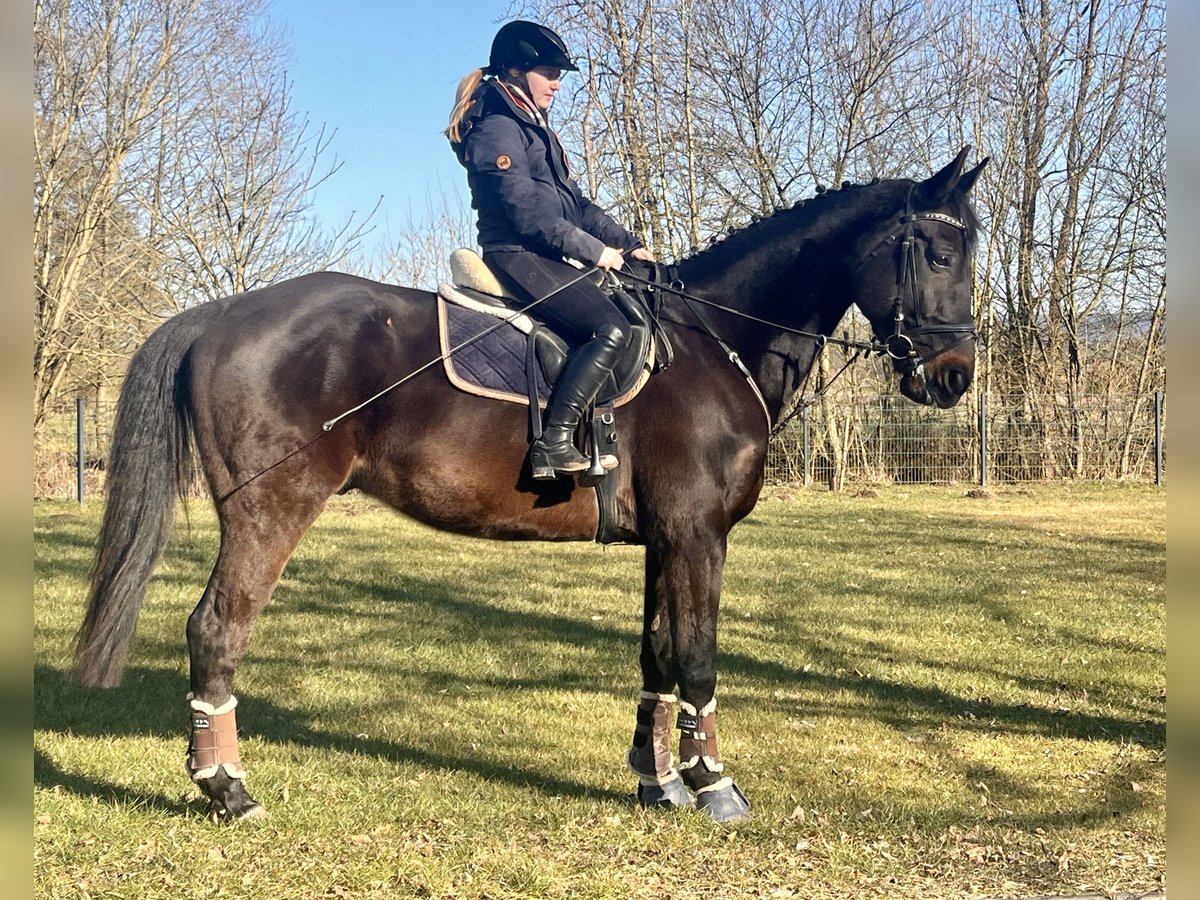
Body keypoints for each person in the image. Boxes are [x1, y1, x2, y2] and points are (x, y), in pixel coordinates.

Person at [446, 20, 655, 479]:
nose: (558, 83)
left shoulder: (536, 129)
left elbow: (574, 204)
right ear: (516, 72)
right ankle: (555, 442)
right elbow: (527, 214)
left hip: (544, 253)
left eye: (560, 74)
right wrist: (593, 251)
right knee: (609, 329)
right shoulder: (498, 127)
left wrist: (627, 244)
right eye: (550, 72)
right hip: (515, 253)